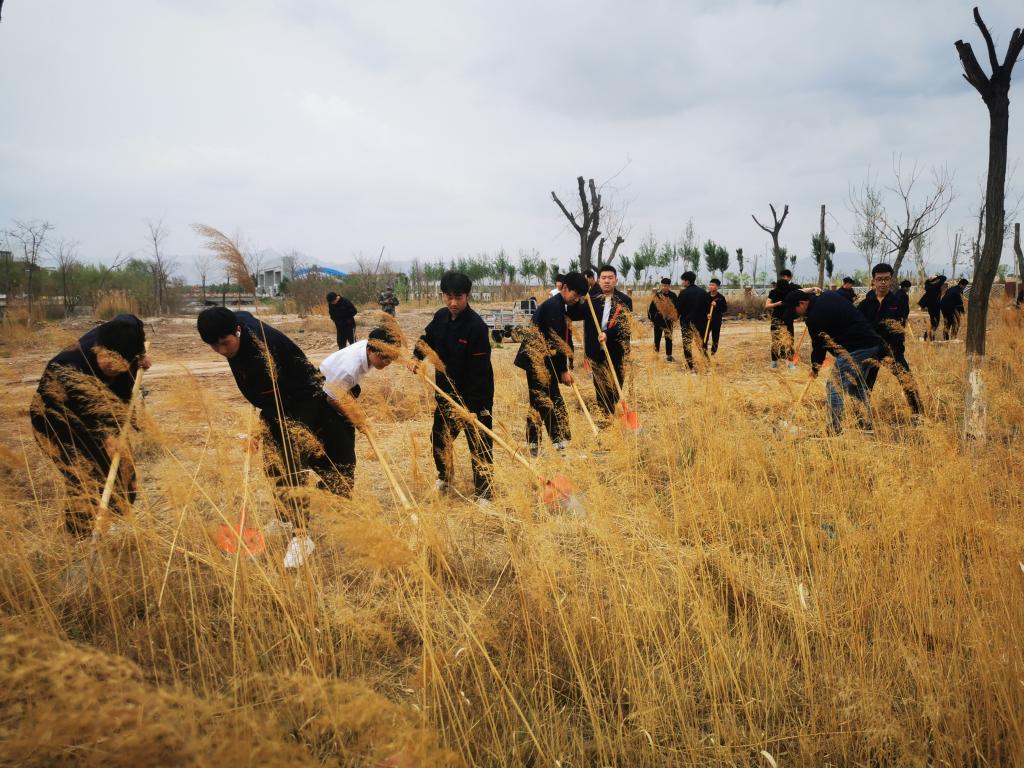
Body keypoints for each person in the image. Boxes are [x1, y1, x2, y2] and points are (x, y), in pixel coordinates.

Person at [197, 307, 353, 568]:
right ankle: (284, 518)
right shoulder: (237, 327)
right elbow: (244, 315)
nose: (222, 350)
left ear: (237, 331)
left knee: (291, 463)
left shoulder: (264, 348)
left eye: (225, 343)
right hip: (274, 403)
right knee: (272, 465)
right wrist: (259, 428)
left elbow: (289, 390)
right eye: (214, 346)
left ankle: (301, 537)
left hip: (302, 399)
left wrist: (262, 427)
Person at [30, 315, 151, 538]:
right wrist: (105, 438)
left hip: (102, 414)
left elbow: (132, 321)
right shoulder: (67, 367)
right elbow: (74, 415)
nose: (111, 367)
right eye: (107, 359)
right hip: (57, 423)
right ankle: (80, 537)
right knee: (85, 478)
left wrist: (141, 357)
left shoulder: (122, 335)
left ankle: (111, 526)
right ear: (97, 347)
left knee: (124, 472)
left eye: (120, 365)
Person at [411, 272, 494, 502]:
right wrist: (416, 357)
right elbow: (426, 339)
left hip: (475, 395)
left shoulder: (476, 327)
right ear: (443, 296)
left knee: (479, 444)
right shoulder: (440, 317)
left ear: (467, 296)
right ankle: (445, 477)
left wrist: (475, 407)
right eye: (449, 297)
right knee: (439, 438)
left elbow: (480, 372)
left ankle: (485, 492)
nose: (453, 303)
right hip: (446, 393)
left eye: (459, 297)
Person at [784, 289, 882, 434]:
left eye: (794, 311)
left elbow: (819, 346)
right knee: (856, 386)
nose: (796, 315)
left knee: (835, 386)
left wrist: (815, 369)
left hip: (855, 348)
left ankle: (834, 429)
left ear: (803, 303)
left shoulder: (814, 317)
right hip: (872, 344)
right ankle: (865, 424)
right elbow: (847, 299)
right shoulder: (829, 295)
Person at [514, 272, 589, 454]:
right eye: (575, 294)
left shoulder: (560, 304)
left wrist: (590, 300)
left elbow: (578, 312)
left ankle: (534, 446)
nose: (576, 299)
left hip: (539, 361)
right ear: (565, 288)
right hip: (537, 362)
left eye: (580, 296)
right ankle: (560, 445)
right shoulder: (553, 307)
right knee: (552, 402)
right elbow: (557, 342)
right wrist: (563, 371)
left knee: (537, 402)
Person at [858, 263, 923, 418]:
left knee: (908, 381)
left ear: (891, 280)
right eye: (879, 279)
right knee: (865, 384)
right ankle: (862, 416)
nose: (883, 283)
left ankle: (918, 415)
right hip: (871, 351)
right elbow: (860, 328)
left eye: (886, 279)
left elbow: (899, 329)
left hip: (893, 351)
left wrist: (893, 352)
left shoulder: (897, 302)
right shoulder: (865, 304)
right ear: (873, 281)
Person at [583, 264, 634, 417]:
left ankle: (612, 409)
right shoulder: (591, 299)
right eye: (604, 278)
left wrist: (607, 334)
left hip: (616, 350)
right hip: (596, 351)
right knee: (599, 386)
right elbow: (580, 315)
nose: (607, 281)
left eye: (610, 278)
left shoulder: (624, 300)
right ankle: (605, 416)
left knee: (615, 385)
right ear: (599, 280)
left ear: (616, 280)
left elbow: (624, 325)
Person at [319, 327, 399, 401]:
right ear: (369, 351)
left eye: (392, 357)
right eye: (383, 356)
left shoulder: (369, 344)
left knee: (355, 391)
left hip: (335, 377)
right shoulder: (349, 371)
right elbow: (331, 399)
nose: (388, 361)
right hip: (320, 385)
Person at [765, 269, 800, 369]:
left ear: (790, 278)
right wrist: (777, 304)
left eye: (786, 276)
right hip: (778, 319)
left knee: (788, 341)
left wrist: (813, 289)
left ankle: (789, 362)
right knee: (776, 340)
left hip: (786, 318)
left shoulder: (791, 291)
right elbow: (767, 305)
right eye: (783, 277)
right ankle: (775, 362)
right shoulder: (774, 292)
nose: (785, 278)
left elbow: (802, 291)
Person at [674, 271, 708, 372]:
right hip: (701, 323)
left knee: (687, 345)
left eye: (683, 281)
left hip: (686, 323)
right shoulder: (703, 292)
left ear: (687, 281)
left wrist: (675, 318)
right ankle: (706, 364)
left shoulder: (683, 293)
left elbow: (678, 309)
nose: (682, 283)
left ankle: (690, 367)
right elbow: (707, 308)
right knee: (701, 343)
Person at [647, 278, 677, 361]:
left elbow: (676, 308)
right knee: (657, 338)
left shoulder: (673, 296)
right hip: (658, 321)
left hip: (669, 321)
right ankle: (656, 355)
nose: (664, 287)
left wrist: (675, 318)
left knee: (669, 338)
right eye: (663, 285)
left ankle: (669, 355)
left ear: (669, 286)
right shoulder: (657, 295)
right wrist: (652, 320)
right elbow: (651, 309)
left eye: (666, 286)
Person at [918, 274, 946, 341]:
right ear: (935, 280)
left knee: (932, 323)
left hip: (930, 307)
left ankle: (926, 337)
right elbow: (944, 278)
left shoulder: (928, 286)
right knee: (935, 323)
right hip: (935, 307)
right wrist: (937, 277)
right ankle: (931, 338)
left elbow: (926, 282)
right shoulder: (936, 286)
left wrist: (929, 279)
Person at [704, 278, 728, 354]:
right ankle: (704, 351)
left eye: (713, 285)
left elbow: (724, 309)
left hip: (716, 320)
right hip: (706, 319)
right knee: (704, 335)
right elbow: (702, 308)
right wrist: (706, 314)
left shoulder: (720, 298)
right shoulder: (705, 296)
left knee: (715, 336)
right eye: (710, 285)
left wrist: (716, 305)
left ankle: (713, 352)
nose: (710, 286)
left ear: (717, 287)